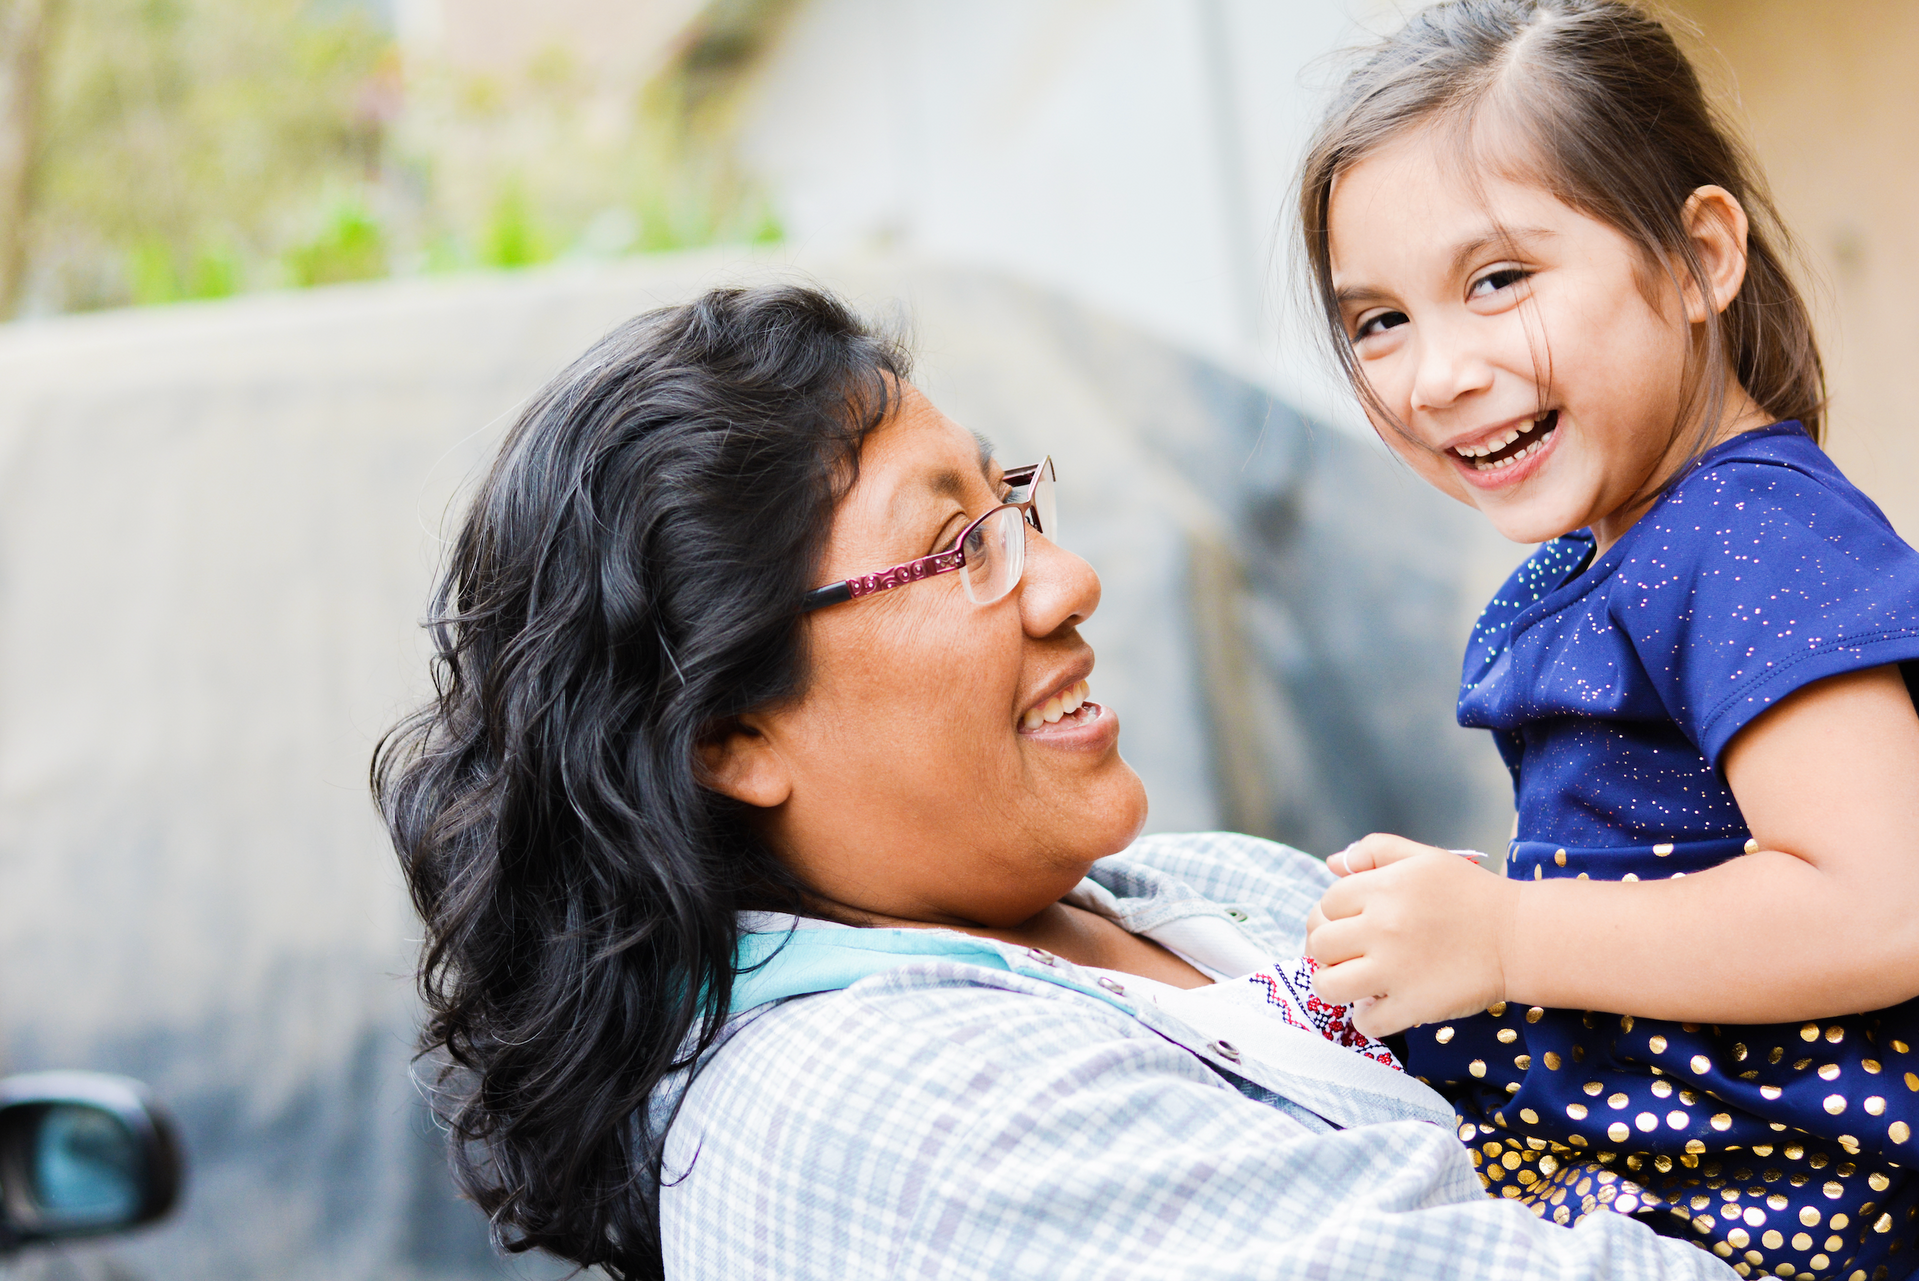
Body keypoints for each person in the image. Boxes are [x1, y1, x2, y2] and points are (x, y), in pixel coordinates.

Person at [373, 284, 1730, 1279]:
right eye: (957, 545)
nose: (1067, 580)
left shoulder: (1194, 890)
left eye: (1012, 508)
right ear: (727, 730)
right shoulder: (889, 1116)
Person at [1292, 3, 1919, 1278]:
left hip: (1799, 1206)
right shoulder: (1639, 543)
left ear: (1696, 260)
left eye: (1498, 281)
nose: (1436, 376)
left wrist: (1508, 936)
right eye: (1379, 322)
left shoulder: (1752, 535)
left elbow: (1886, 901)